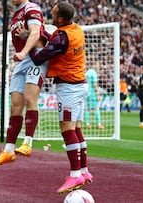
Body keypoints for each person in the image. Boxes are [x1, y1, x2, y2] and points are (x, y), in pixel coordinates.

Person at [30, 2, 93, 194]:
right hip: (80, 85)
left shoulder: (62, 38)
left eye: (54, 11)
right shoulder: (76, 29)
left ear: (59, 19)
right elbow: (58, 42)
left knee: (67, 130)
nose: (51, 12)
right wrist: (45, 35)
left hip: (69, 88)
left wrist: (31, 43)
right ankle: (84, 171)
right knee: (77, 128)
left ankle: (74, 175)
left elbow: (39, 58)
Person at [0, 0, 45, 166]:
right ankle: (8, 151)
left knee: (30, 98)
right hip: (22, 60)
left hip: (35, 57)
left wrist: (23, 52)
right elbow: (27, 34)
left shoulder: (31, 8)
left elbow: (36, 33)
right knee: (15, 105)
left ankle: (28, 143)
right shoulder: (15, 13)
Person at [84, 63, 105, 129]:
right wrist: (98, 94)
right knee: (96, 108)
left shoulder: (87, 72)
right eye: (98, 67)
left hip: (87, 92)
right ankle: (99, 124)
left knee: (87, 108)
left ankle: (87, 124)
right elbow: (95, 84)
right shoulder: (94, 73)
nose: (99, 69)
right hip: (92, 93)